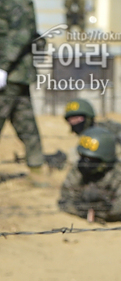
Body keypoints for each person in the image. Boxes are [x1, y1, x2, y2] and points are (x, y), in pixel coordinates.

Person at [0, 0, 45, 180]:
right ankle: (37, 171)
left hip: (11, 73)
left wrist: (3, 67)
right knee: (24, 120)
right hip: (13, 73)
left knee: (24, 121)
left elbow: (22, 33)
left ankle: (38, 173)